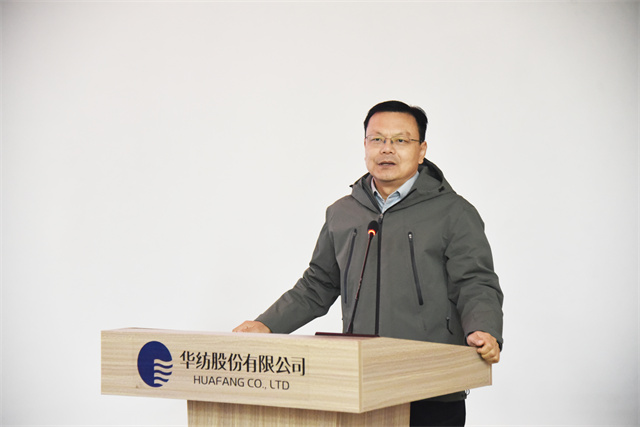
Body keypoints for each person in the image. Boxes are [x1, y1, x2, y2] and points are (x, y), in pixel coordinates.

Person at [233, 100, 503, 427]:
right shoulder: (343, 213)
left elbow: (475, 282)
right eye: (377, 139)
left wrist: (484, 329)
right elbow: (318, 285)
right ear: (365, 146)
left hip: (430, 385)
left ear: (421, 150)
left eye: (400, 140)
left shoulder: (454, 212)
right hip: (359, 383)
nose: (387, 149)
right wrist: (267, 325)